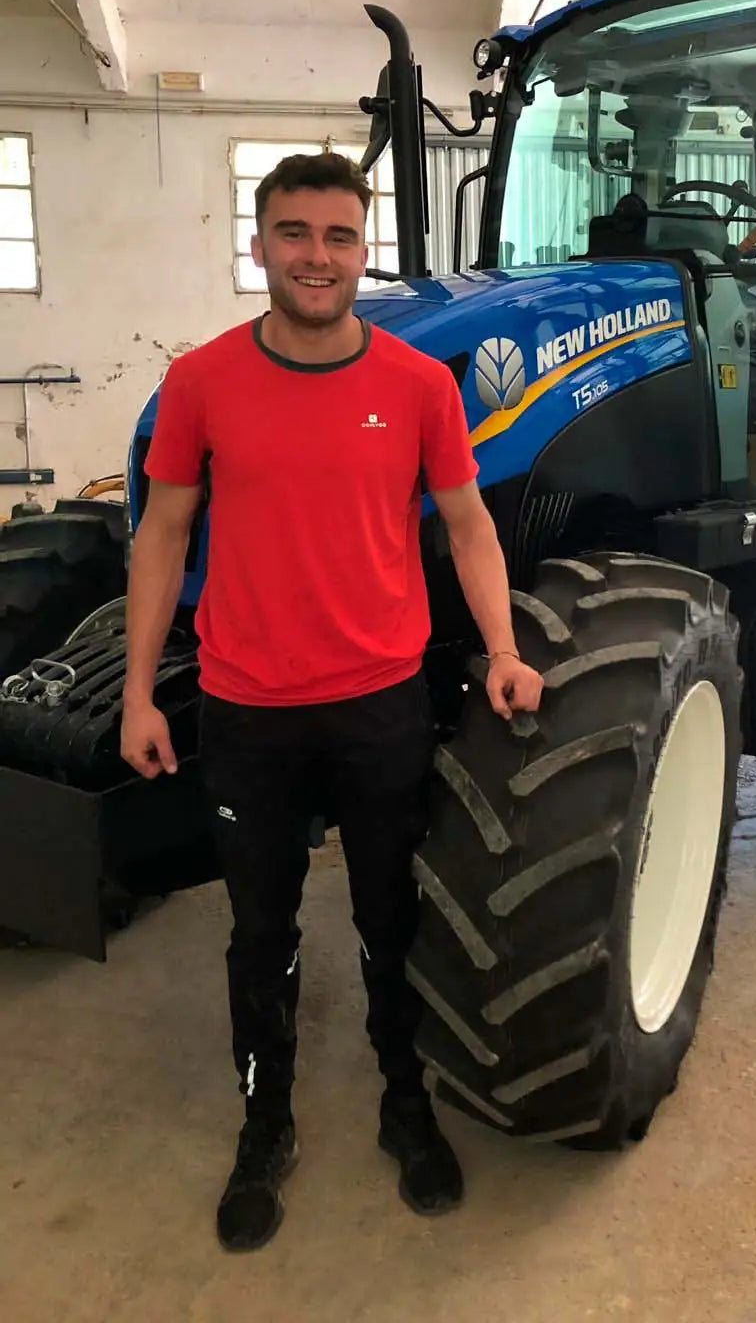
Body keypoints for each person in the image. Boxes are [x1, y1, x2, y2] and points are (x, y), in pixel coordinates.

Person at [120, 150, 543, 1253]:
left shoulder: (419, 385)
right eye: (296, 233)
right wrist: (138, 693)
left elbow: (469, 527)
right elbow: (162, 534)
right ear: (261, 244)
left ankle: (407, 1104)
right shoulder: (202, 382)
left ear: (364, 250)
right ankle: (266, 1127)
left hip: (379, 708)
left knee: (390, 919)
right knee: (259, 932)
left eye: (339, 236)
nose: (318, 255)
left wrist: (503, 648)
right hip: (247, 710)